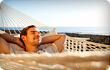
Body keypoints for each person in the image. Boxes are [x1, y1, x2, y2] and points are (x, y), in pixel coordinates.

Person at [0, 25, 67, 54]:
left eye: (39, 33)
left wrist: (39, 40)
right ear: (23, 38)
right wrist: (16, 40)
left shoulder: (50, 50)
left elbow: (62, 36)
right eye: (33, 33)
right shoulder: (15, 54)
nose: (38, 35)